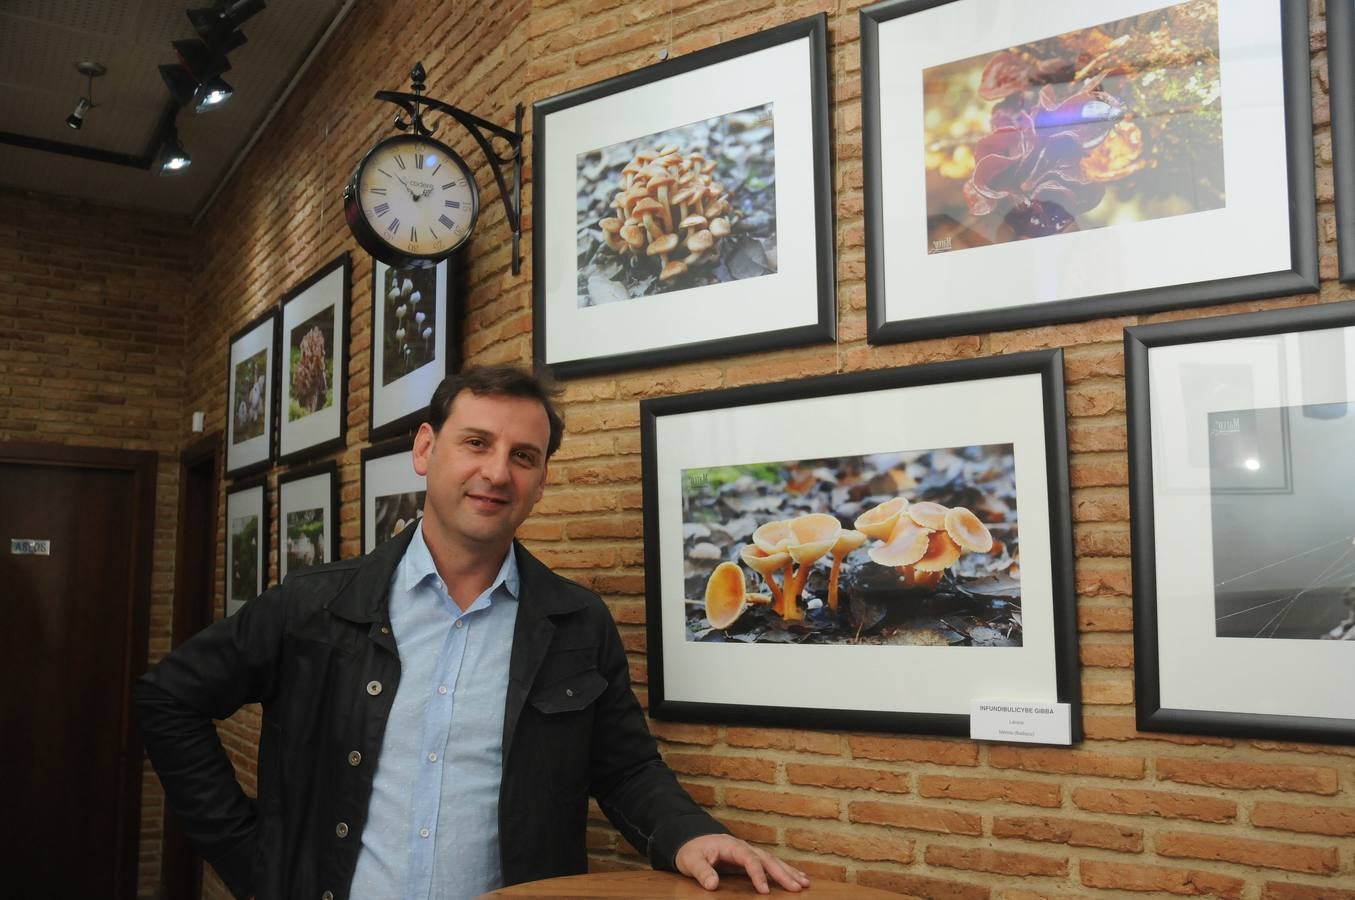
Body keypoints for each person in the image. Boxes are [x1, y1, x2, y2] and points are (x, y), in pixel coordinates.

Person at [134, 365, 809, 900]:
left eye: (523, 456)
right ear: (426, 449)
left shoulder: (573, 622)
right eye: (476, 443)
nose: (496, 472)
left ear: (541, 481)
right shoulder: (316, 607)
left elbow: (626, 766)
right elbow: (168, 699)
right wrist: (252, 856)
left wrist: (689, 836)